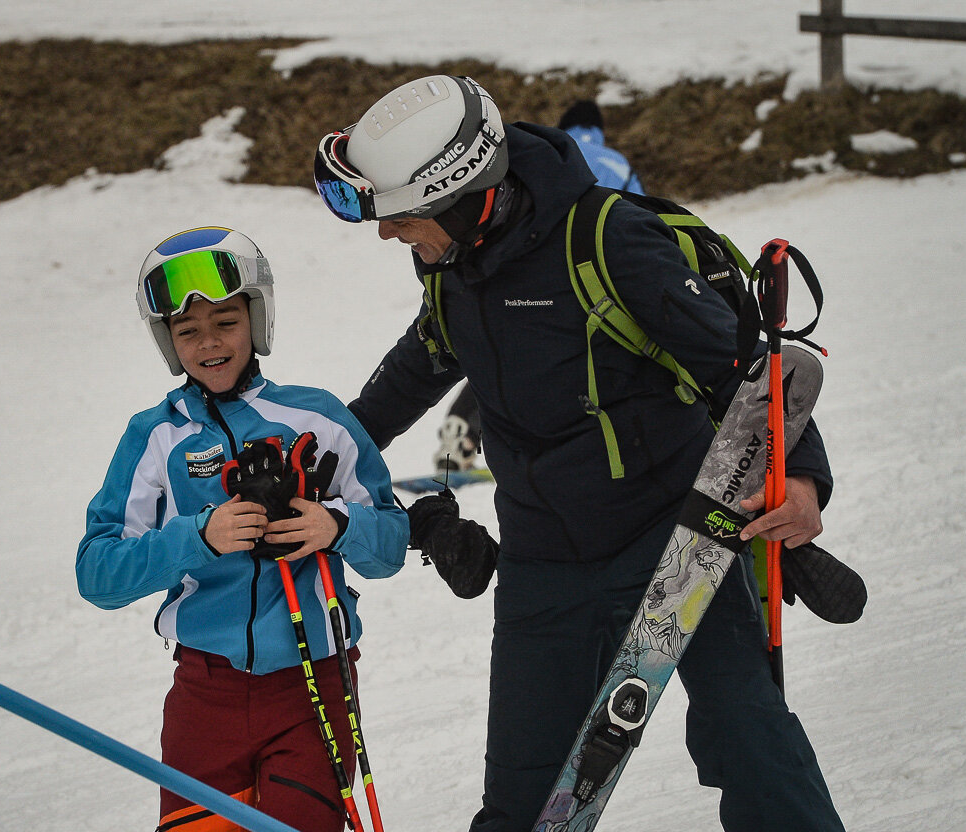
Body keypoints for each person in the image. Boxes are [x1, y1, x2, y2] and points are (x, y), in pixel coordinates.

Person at [312, 75, 845, 832]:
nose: (388, 233)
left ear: (459, 194)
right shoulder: (452, 265)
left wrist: (808, 481)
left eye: (401, 216)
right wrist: (337, 444)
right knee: (528, 801)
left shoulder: (607, 238)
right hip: (544, 558)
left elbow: (738, 370)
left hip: (677, 537)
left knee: (749, 738)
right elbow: (424, 360)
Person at [75, 227, 408, 832]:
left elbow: (388, 545)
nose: (209, 344)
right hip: (206, 696)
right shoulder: (154, 437)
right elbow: (98, 574)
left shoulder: (318, 416)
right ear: (168, 343)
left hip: (313, 687)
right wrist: (198, 536)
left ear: (256, 318)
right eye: (187, 331)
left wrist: (334, 525)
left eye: (225, 321)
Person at [433, 98, 644, 475]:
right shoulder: (617, 161)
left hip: (536, 272)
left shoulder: (552, 153)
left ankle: (461, 430)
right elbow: (640, 215)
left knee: (505, 355)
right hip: (603, 278)